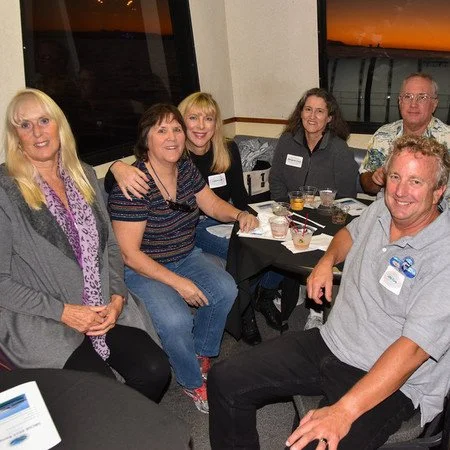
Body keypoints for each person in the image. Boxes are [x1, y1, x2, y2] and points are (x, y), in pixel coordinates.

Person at [208, 135, 450, 449]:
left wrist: (343, 411)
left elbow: (413, 351)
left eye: (415, 181)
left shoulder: (443, 254)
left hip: (389, 378)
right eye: (395, 177)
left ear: (438, 190)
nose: (400, 191)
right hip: (332, 341)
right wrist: (327, 260)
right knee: (225, 379)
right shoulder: (383, 208)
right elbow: (349, 233)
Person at [0, 88, 170, 403]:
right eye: (25, 125)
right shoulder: (4, 190)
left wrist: (117, 297)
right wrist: (64, 312)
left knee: (155, 370)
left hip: (102, 306)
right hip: (43, 317)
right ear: (15, 136)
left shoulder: (84, 175)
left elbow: (111, 249)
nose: (37, 132)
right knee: (100, 392)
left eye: (44, 120)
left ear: (59, 125)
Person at [108, 103, 258, 413]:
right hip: (143, 267)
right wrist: (179, 284)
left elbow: (211, 204)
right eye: (162, 130)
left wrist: (239, 214)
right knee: (176, 319)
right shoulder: (134, 184)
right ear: (146, 139)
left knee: (225, 289)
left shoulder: (186, 168)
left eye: (176, 129)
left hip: (185, 254)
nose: (173, 137)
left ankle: (200, 353)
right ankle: (191, 381)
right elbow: (129, 254)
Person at [268, 88, 359, 330]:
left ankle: (316, 309)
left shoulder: (339, 149)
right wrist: (283, 209)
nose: (312, 116)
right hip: (291, 213)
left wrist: (325, 211)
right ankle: (297, 287)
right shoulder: (287, 141)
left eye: (320, 111)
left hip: (325, 219)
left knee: (320, 244)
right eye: (308, 109)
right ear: (300, 112)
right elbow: (276, 179)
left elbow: (347, 195)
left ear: (329, 118)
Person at [360, 72, 450, 195]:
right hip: (388, 205)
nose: (413, 104)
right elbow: (367, 184)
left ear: (434, 104)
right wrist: (376, 179)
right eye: (408, 97)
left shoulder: (447, 138)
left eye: (422, 97)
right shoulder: (383, 135)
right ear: (400, 102)